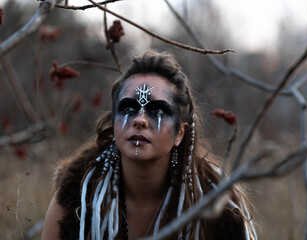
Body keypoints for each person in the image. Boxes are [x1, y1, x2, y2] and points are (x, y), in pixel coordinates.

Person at [41, 51, 257, 240]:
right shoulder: (78, 193)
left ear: (179, 134)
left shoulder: (218, 207)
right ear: (114, 121)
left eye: (157, 111)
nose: (140, 120)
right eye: (128, 108)